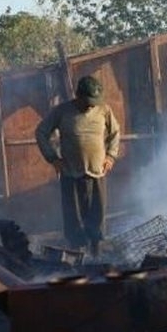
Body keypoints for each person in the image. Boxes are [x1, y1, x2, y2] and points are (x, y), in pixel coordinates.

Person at [35, 75, 120, 257]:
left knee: (97, 216)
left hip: (97, 173)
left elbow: (115, 133)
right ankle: (77, 255)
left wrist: (111, 156)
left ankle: (96, 254)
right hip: (70, 173)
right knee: (74, 218)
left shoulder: (104, 110)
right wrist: (53, 159)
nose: (91, 105)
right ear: (78, 96)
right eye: (87, 101)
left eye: (94, 102)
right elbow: (41, 132)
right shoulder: (62, 111)